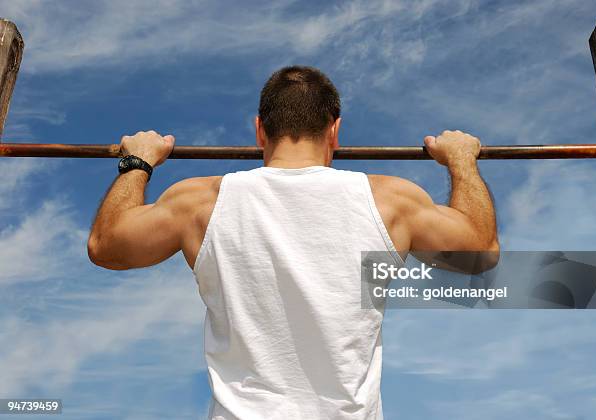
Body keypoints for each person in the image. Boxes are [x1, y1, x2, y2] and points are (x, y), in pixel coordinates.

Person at [88, 65, 499, 419]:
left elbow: (107, 246)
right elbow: (480, 253)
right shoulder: (391, 200)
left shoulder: (199, 200)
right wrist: (461, 160)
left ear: (260, 130)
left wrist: (137, 162)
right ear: (334, 130)